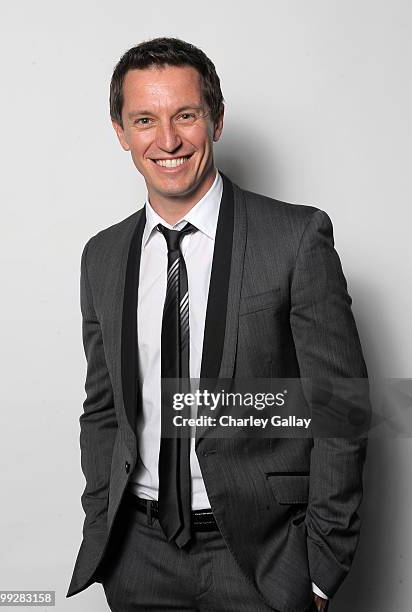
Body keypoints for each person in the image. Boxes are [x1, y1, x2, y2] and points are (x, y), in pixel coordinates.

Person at [67, 37, 370, 612]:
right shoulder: (101, 256)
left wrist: (321, 567)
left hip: (261, 557)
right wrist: (101, 517)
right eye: (144, 119)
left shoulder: (296, 239)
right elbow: (103, 408)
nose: (168, 139)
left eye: (186, 114)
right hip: (138, 554)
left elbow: (343, 407)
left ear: (216, 119)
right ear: (120, 131)